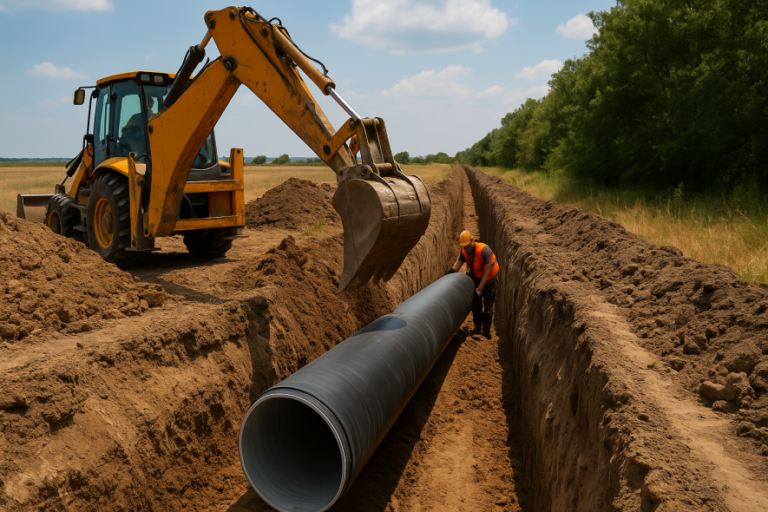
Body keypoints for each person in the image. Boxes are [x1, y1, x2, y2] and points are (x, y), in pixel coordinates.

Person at [447, 230, 499, 338]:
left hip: (489, 281)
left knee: (488, 308)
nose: (466, 248)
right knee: (476, 304)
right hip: (476, 278)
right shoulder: (465, 250)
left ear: (473, 240)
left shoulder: (484, 250)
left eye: (467, 245)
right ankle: (477, 327)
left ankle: (485, 332)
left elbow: (486, 272)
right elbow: (457, 264)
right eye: (464, 246)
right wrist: (449, 275)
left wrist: (479, 289)